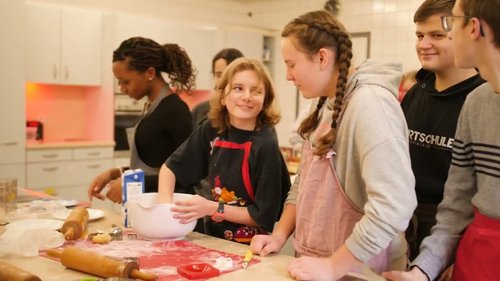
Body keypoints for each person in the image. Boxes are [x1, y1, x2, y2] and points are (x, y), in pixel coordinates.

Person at [250, 10, 417, 280]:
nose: (288, 76)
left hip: (362, 269)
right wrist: (279, 235)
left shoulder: (370, 104)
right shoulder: (325, 105)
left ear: (322, 57)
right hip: (319, 264)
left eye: (292, 64)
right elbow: (304, 182)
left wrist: (333, 266)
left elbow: (394, 206)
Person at [383, 0, 500, 280]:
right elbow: (456, 204)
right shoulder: (477, 103)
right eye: (420, 35)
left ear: (473, 28)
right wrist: (424, 269)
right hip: (461, 253)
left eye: (446, 28)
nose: (425, 43)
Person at [158, 58, 291, 243]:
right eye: (238, 88)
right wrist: (166, 211)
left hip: (250, 245)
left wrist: (212, 208)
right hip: (212, 239)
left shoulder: (266, 145)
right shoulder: (212, 130)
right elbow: (170, 169)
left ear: (265, 99)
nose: (247, 97)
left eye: (256, 91)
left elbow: (261, 216)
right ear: (222, 96)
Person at [402, 0, 484, 261]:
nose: (423, 44)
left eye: (436, 35)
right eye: (419, 35)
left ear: (464, 33)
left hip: (454, 235)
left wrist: (457, 254)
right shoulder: (416, 92)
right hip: (403, 225)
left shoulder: (483, 98)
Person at [87, 37, 195, 204]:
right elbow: (155, 163)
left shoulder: (175, 111)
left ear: (150, 73)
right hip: (148, 206)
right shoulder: (152, 108)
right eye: (119, 82)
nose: (122, 89)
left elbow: (188, 173)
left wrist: (133, 182)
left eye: (126, 82)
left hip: (167, 210)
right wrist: (115, 173)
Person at [191, 48, 244, 126]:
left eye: (227, 74)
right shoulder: (199, 111)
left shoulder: (247, 111)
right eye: (218, 75)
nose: (222, 80)